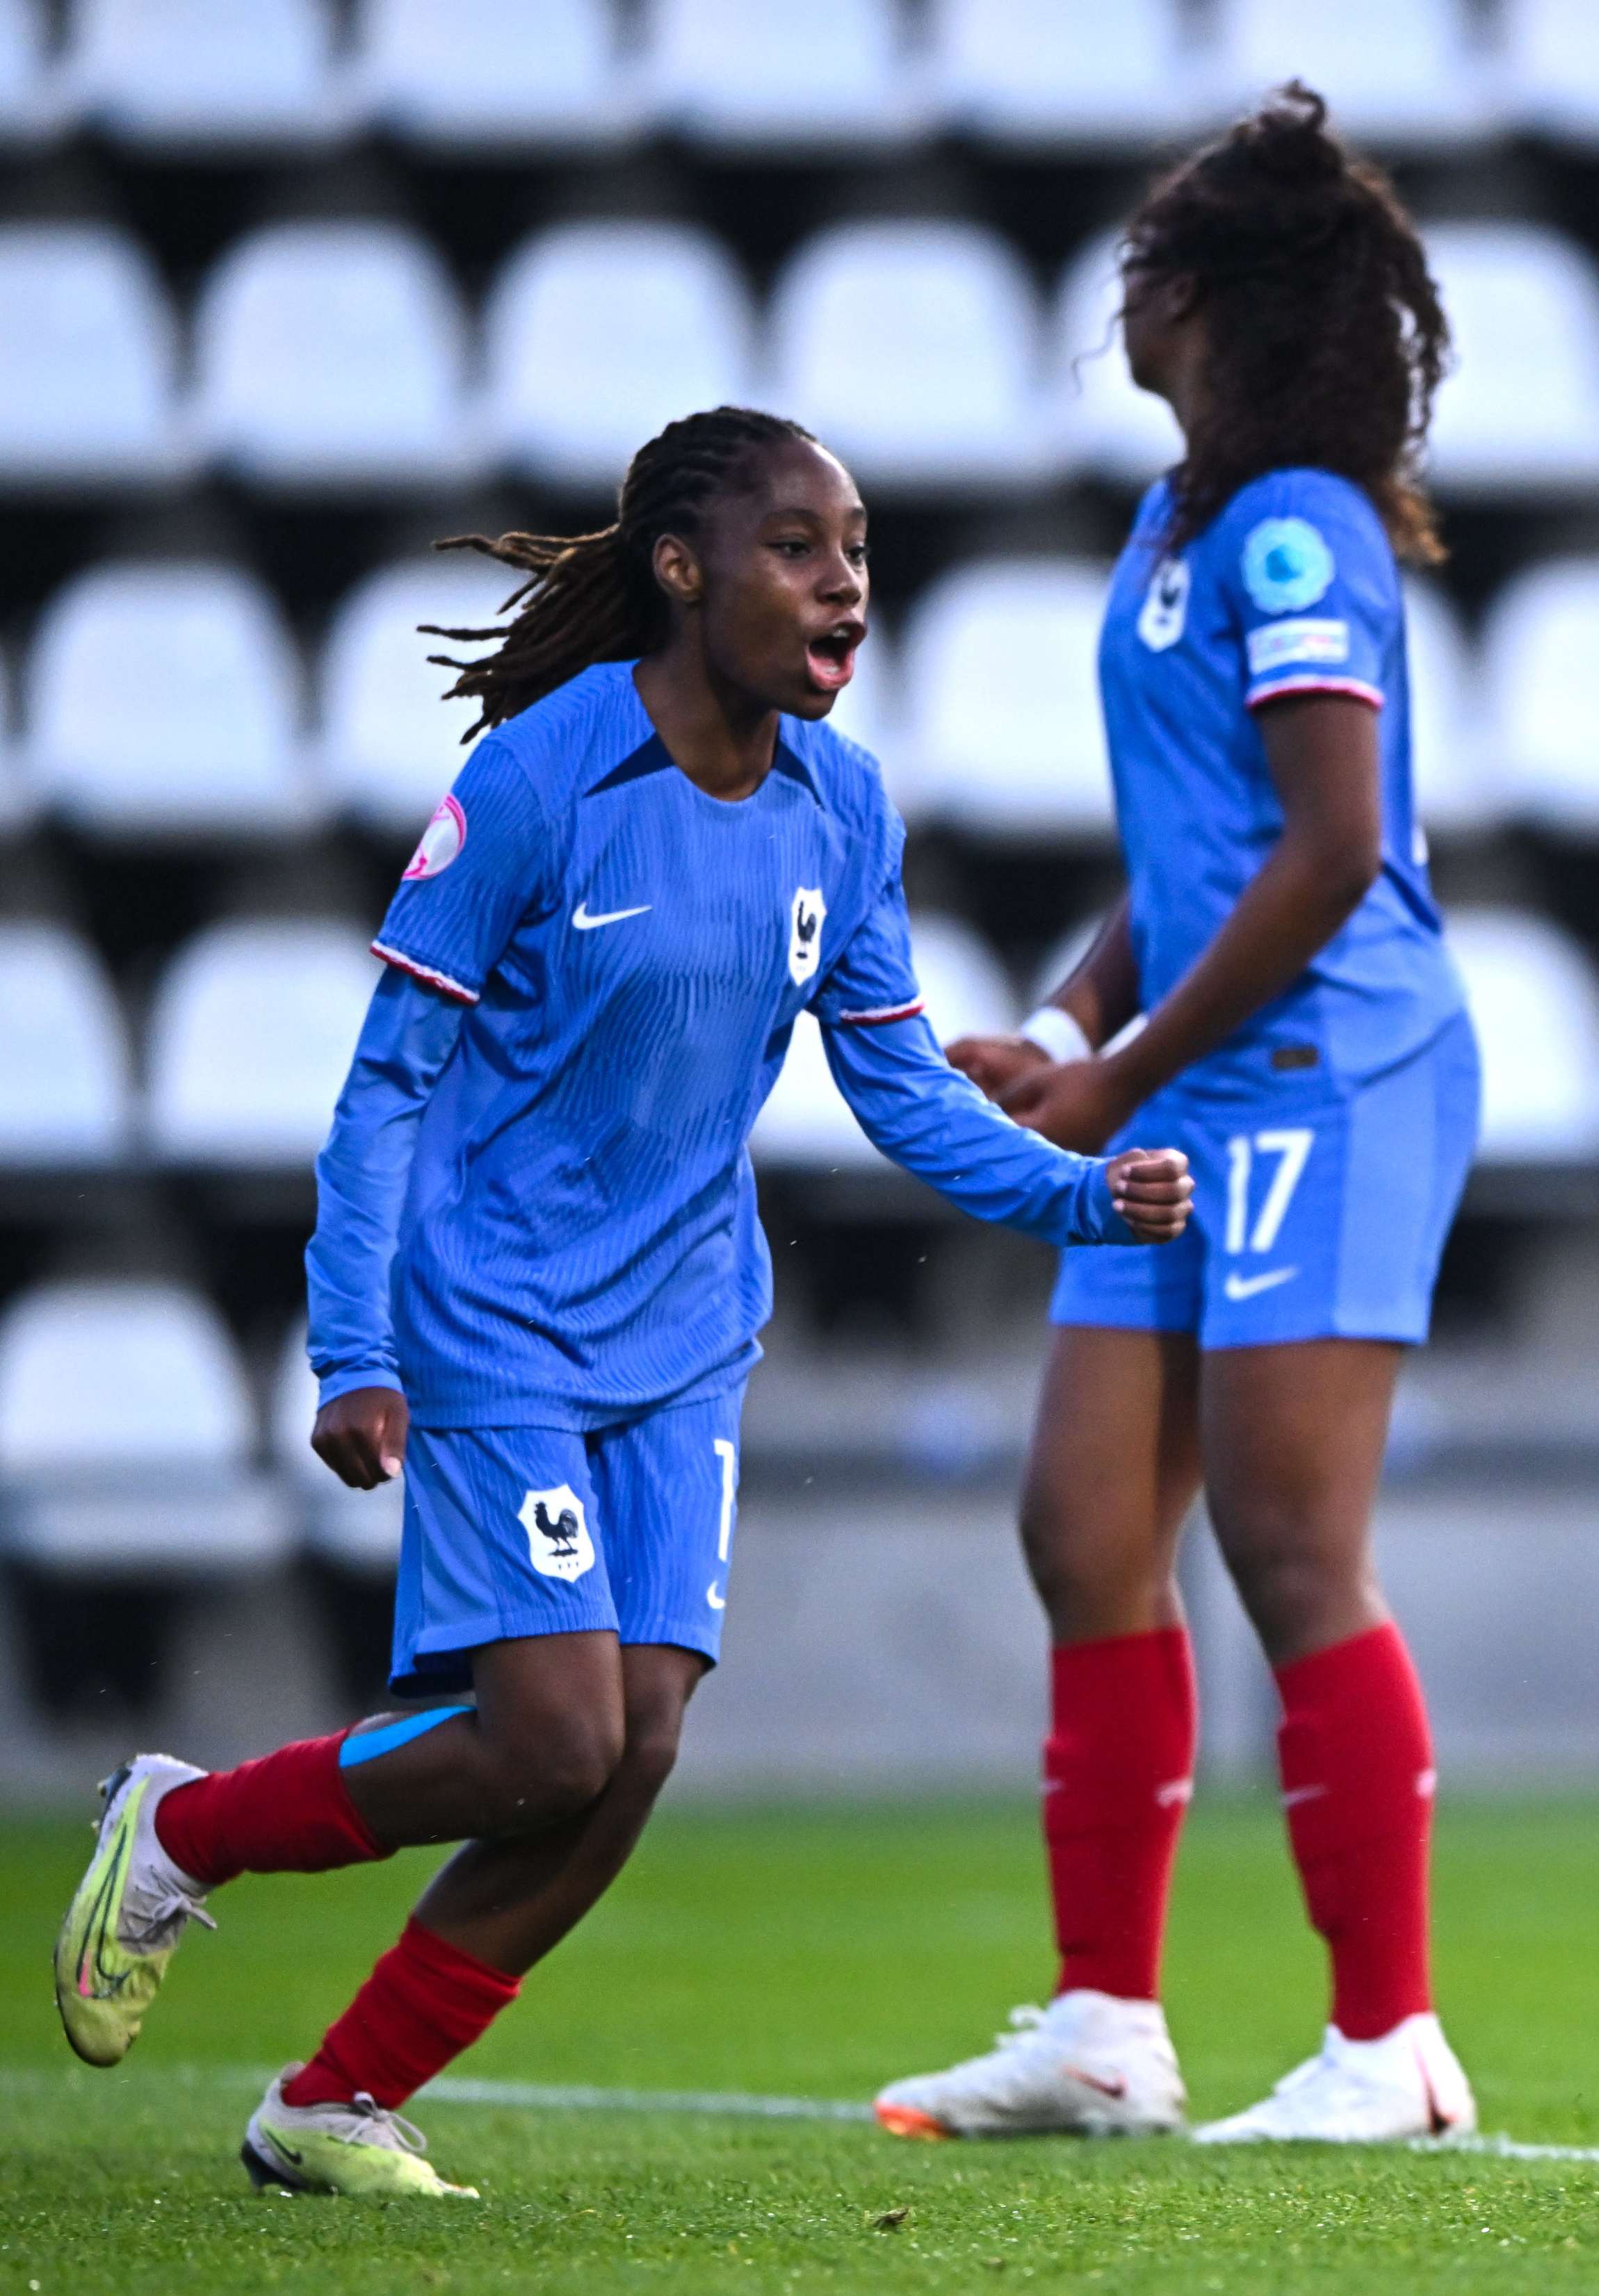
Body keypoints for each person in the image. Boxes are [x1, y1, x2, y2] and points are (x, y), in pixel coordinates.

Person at [51, 407, 1195, 2198]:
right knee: (552, 1734)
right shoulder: (532, 783)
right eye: (802, 550)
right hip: (498, 1318)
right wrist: (353, 1344)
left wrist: (1080, 1198)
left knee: (634, 1749)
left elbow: (897, 1089)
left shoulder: (843, 806)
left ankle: (333, 2103)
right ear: (682, 568)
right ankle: (182, 1827)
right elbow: (383, 1091)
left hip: (684, 1337)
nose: (847, 588)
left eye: (863, 552)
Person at [872, 90, 1482, 2148]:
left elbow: (1324, 858)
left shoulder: (1300, 524)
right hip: (1200, 1072)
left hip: (1332, 1070)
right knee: (1085, 1528)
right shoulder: (1185, 525)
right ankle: (1106, 2029)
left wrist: (1109, 1078)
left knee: (1298, 1545)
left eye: (1154, 259)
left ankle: (1390, 2046)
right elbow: (1204, 851)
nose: (1124, 290)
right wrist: (1070, 1014)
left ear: (1214, 297)